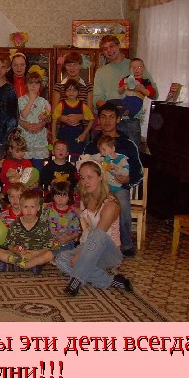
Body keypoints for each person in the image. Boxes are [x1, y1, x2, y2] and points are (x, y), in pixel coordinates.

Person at [54, 160, 133, 296]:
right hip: (88, 247)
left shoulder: (110, 204)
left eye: (90, 177)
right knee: (61, 258)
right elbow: (86, 225)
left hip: (108, 253)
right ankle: (112, 281)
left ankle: (76, 280)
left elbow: (99, 234)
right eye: (83, 178)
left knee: (97, 234)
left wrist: (80, 255)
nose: (85, 182)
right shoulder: (86, 198)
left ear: (100, 177)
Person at [82, 103, 143, 258]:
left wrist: (128, 179)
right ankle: (86, 240)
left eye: (111, 117)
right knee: (84, 199)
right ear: (98, 120)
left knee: (122, 200)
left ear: (118, 119)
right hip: (96, 188)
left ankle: (126, 244)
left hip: (118, 186)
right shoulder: (92, 145)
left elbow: (138, 171)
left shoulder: (127, 144)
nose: (107, 121)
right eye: (103, 117)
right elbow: (83, 167)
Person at [93, 36, 158, 147]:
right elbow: (96, 100)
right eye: (105, 49)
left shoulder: (135, 66)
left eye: (112, 46)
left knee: (131, 156)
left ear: (119, 46)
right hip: (110, 123)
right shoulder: (101, 72)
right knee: (108, 156)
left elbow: (154, 94)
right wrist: (114, 110)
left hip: (131, 122)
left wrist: (141, 89)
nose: (109, 50)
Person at [0, 189, 53, 274]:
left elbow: (48, 246)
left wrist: (35, 253)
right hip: (19, 255)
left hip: (35, 255)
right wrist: (15, 249)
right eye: (25, 207)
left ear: (38, 208)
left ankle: (21, 266)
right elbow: (10, 244)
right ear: (20, 207)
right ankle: (30, 266)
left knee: (50, 255)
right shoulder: (15, 224)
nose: (29, 210)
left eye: (32, 207)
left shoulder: (43, 225)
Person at [51, 79, 94, 160]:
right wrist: (54, 137)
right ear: (65, 92)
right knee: (62, 156)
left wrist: (84, 134)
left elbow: (91, 120)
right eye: (69, 90)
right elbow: (54, 120)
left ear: (79, 92)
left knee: (77, 157)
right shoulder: (61, 105)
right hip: (63, 135)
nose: (71, 92)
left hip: (77, 136)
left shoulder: (83, 105)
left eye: (74, 90)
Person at [17, 71, 51, 170]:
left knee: (38, 167)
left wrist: (45, 118)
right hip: (25, 138)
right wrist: (31, 99)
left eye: (36, 83)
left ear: (40, 86)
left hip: (38, 139)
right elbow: (24, 114)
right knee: (25, 166)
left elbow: (49, 119)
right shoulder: (21, 100)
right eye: (30, 83)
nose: (33, 86)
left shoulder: (43, 101)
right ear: (26, 85)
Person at [42, 180, 81, 254]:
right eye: (57, 196)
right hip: (48, 243)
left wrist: (68, 238)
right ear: (53, 197)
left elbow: (76, 231)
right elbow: (41, 225)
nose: (60, 199)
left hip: (65, 244)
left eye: (64, 196)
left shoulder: (72, 214)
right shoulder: (48, 210)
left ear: (69, 197)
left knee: (63, 253)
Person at [51, 51, 93, 118]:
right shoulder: (58, 86)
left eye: (75, 65)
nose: (72, 68)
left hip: (83, 124)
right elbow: (54, 112)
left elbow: (90, 113)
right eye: (69, 65)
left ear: (80, 66)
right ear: (65, 66)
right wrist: (65, 119)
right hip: (63, 124)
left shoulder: (88, 86)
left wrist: (79, 117)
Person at [0, 130, 33, 195]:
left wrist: (33, 184)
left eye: (23, 151)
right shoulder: (6, 162)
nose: (21, 154)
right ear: (10, 149)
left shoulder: (27, 162)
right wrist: (6, 175)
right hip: (10, 191)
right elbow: (2, 180)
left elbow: (32, 177)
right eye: (17, 152)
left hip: (24, 192)